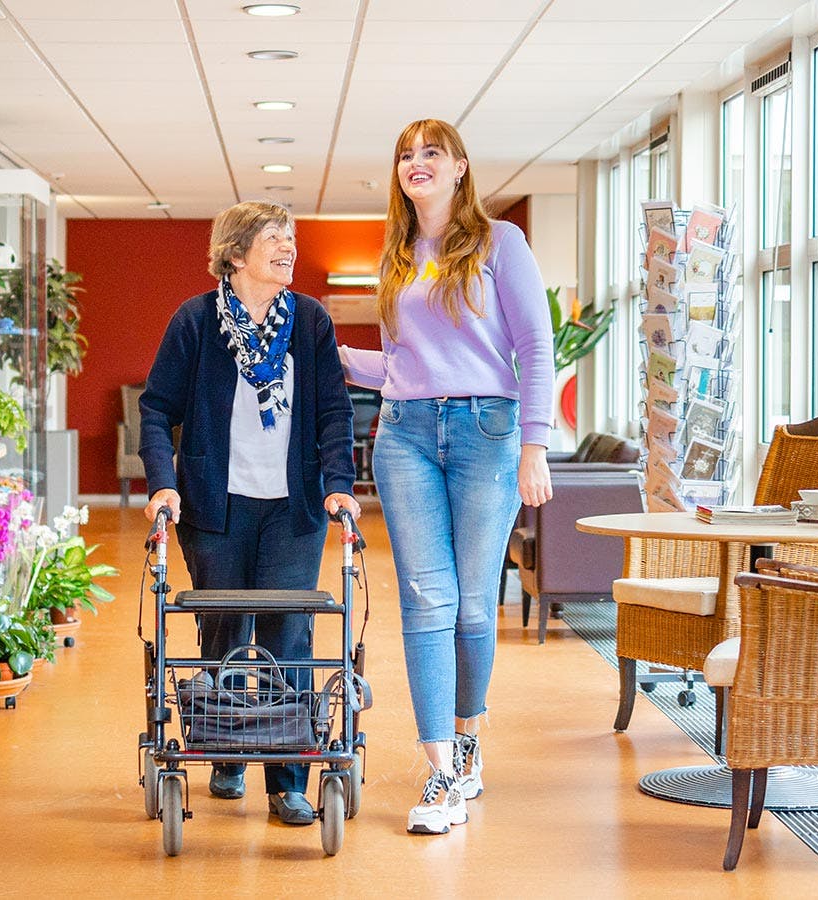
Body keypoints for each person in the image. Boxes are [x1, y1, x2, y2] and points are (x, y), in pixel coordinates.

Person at [340, 119, 554, 835]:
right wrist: (333, 351)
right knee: (425, 598)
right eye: (405, 154)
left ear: (461, 167)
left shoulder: (501, 244)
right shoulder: (398, 254)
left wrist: (536, 444)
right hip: (403, 434)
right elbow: (402, 365)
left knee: (469, 605)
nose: (416, 163)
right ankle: (439, 772)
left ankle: (467, 738)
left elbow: (534, 346)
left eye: (431, 152)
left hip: (486, 434)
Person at [140, 200, 361, 827]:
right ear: (236, 254)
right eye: (273, 237)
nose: (288, 247)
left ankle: (288, 779)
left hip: (293, 509)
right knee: (225, 633)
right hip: (216, 507)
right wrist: (163, 485)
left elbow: (334, 413)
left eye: (291, 237)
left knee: (289, 637)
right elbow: (155, 409)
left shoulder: (309, 321)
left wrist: (339, 484)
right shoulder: (196, 321)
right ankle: (227, 751)